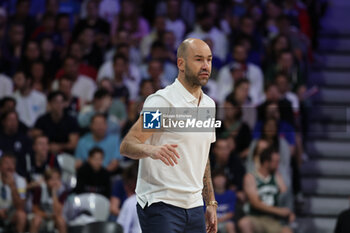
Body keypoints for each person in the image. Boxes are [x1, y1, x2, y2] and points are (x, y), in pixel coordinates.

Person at [120, 38, 218, 233]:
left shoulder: (208, 106)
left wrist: (210, 202)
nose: (206, 65)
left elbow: (202, 156)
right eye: (198, 59)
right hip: (161, 202)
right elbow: (128, 145)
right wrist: (151, 149)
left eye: (209, 59)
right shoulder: (163, 102)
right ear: (181, 63)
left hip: (194, 205)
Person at [238, 147, 294, 233]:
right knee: (244, 223)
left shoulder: (277, 177)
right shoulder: (251, 177)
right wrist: (279, 211)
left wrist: (289, 212)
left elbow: (285, 196)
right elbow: (255, 203)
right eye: (275, 162)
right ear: (266, 162)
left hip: (273, 219)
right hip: (256, 217)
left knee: (287, 231)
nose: (277, 165)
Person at [30, 168, 67, 233]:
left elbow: (58, 212)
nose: (55, 182)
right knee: (36, 220)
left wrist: (54, 193)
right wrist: (46, 215)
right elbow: (34, 209)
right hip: (42, 215)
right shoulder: (40, 189)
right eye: (52, 179)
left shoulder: (62, 191)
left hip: (55, 217)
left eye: (57, 179)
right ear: (46, 181)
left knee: (61, 222)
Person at [0, 154, 27, 233]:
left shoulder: (21, 181)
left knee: (21, 215)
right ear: (0, 166)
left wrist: (13, 187)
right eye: (7, 163)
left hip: (11, 212)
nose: (10, 166)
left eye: (12, 163)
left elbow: (21, 206)